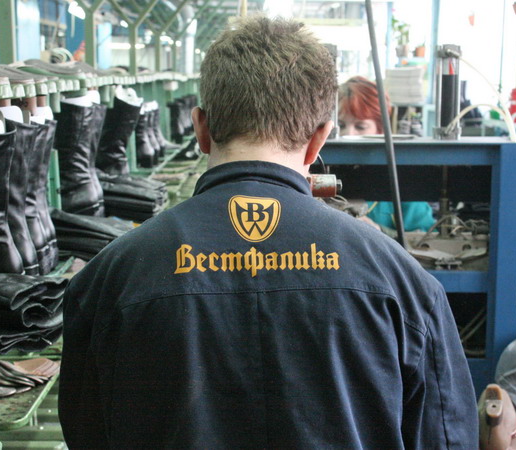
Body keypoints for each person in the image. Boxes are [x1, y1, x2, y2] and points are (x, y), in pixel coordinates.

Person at [59, 16, 477, 448]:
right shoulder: (403, 285)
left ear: (201, 128)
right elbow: (446, 439)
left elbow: (88, 434)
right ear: (319, 139)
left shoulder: (108, 280)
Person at [339, 76, 435, 233]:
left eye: (360, 126)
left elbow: (428, 238)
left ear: (380, 129)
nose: (347, 134)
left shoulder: (401, 182)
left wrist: (379, 232)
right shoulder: (317, 174)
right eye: (340, 125)